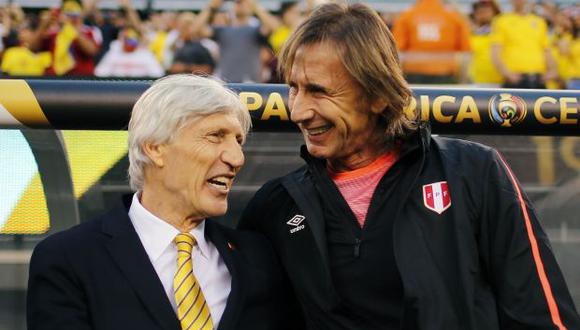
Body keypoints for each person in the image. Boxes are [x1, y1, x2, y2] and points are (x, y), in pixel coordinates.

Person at [239, 3, 580, 329]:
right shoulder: (276, 205)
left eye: (318, 91)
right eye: (293, 89)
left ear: (378, 95)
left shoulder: (474, 173)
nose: (297, 110)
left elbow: (542, 316)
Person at [27, 75, 302, 330]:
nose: (237, 158)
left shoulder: (260, 259)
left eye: (238, 141)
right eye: (216, 136)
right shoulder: (67, 258)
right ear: (155, 147)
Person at [392, 0, 471, 84]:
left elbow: (396, 52)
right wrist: (463, 81)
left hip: (414, 74)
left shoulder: (407, 16)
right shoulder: (454, 16)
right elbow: (466, 53)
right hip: (445, 74)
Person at [490, 0, 558, 88]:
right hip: (515, 78)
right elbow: (495, 51)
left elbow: (546, 50)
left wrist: (553, 70)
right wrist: (507, 73)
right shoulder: (501, 21)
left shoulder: (539, 22)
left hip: (538, 78)